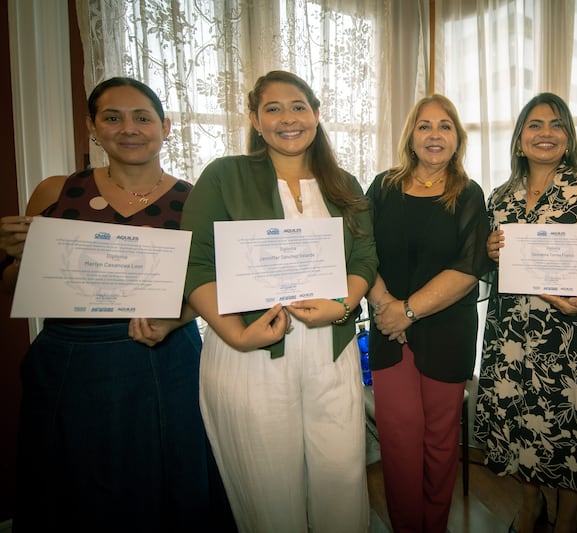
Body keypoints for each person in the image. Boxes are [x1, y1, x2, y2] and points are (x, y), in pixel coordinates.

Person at [0, 77, 225, 532]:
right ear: (92, 127)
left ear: (165, 127)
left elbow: (215, 283)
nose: (129, 128)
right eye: (112, 117)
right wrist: (20, 256)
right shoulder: (56, 191)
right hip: (70, 360)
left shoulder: (195, 200)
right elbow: (13, 286)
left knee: (166, 481)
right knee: (71, 484)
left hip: (164, 357)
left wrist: (174, 320)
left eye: (142, 117)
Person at [180, 70, 378, 533]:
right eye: (273, 109)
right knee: (270, 489)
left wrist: (343, 305)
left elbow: (365, 255)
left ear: (316, 114)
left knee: (341, 478)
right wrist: (237, 334)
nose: (288, 118)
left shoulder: (344, 183)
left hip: (332, 350)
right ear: (254, 119)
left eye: (298, 107)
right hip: (250, 354)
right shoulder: (224, 175)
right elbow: (195, 262)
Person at [475, 92, 577, 533]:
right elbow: (489, 269)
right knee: (523, 424)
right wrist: (488, 251)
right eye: (534, 124)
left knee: (575, 430)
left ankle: (567, 518)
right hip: (513, 338)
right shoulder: (500, 198)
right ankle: (530, 506)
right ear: (519, 139)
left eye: (556, 124)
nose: (545, 133)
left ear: (568, 138)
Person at [365, 93, 492, 533]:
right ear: (411, 136)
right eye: (425, 126)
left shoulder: (469, 194)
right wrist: (386, 307)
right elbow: (362, 252)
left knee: (440, 443)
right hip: (389, 331)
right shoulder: (382, 187)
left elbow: (469, 268)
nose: (434, 135)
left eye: (444, 126)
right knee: (399, 442)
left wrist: (408, 311)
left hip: (446, 332)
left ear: (457, 138)